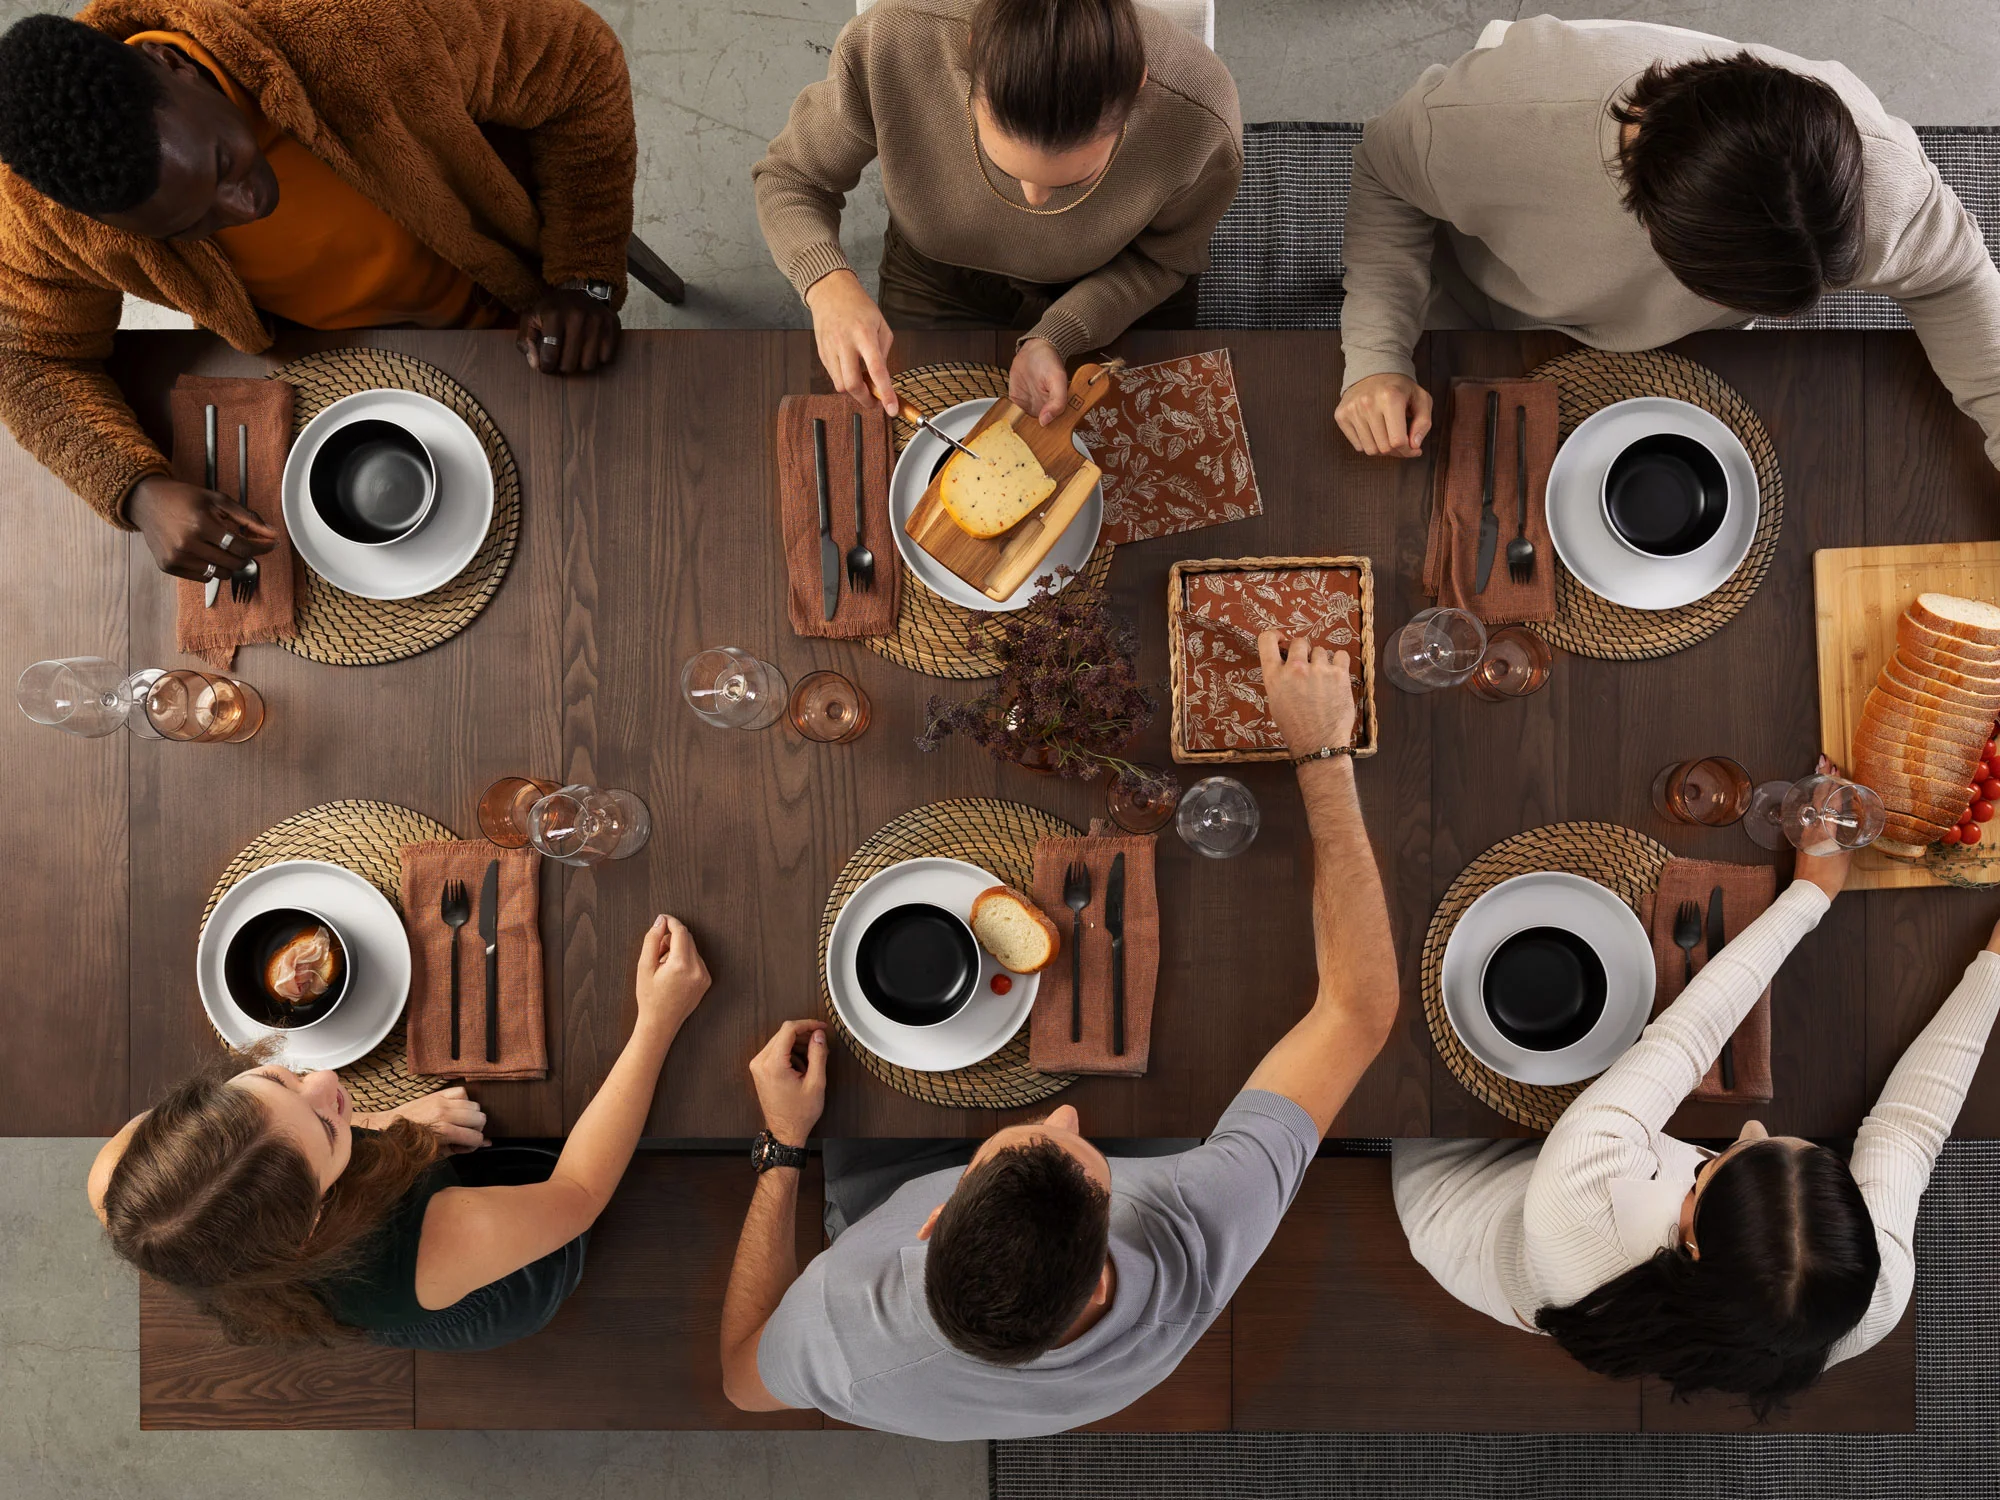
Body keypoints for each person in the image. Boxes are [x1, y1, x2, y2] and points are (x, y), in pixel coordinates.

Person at [718, 633, 1399, 1438]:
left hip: (879, 1197)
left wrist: (783, 1147)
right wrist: (1322, 752)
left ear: (931, 1222)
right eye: (1079, 1154)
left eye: (1037, 1137)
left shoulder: (844, 1329)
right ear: (1104, 1277)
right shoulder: (1200, 1229)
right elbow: (1357, 1010)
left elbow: (739, 1380)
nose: (1066, 1115)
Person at [1393, 783, 2000, 1417]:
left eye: (1711, 1169)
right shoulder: (1866, 1295)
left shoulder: (1577, 1206)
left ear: (1697, 1243)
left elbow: (1686, 1041)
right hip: (1576, 1197)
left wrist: (1812, 895)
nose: (1755, 1129)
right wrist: (1995, 967)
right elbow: (1909, 1130)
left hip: (1458, 1188)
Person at [0, 0, 636, 582]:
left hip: (512, 307)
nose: (247, 206)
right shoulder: (42, 212)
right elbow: (24, 357)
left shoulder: (357, 24)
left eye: (223, 163)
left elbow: (580, 64)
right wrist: (136, 490)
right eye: (190, 227)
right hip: (315, 368)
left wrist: (582, 274)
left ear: (170, 63)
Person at [1334, 17, 2000, 469]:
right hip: (1479, 305)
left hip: (1687, 349)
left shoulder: (1877, 178)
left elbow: (1954, 282)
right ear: (1647, 220)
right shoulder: (1483, 122)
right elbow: (1383, 179)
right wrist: (1375, 359)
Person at [86, 916, 708, 1348]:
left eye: (276, 1083)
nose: (325, 1078)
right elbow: (578, 1194)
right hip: (474, 1284)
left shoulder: (129, 1178)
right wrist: (657, 1022)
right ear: (308, 1220)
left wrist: (386, 1123)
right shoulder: (448, 1243)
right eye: (329, 1129)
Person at [753, 0, 1241, 427]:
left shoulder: (1200, 117)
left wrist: (1056, 336)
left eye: (1073, 179)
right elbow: (795, 177)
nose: (1033, 200)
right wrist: (828, 284)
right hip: (936, 272)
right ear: (969, 55)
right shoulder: (893, 40)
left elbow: (1166, 260)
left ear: (1138, 87)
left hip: (1112, 278)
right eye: (1003, 163)